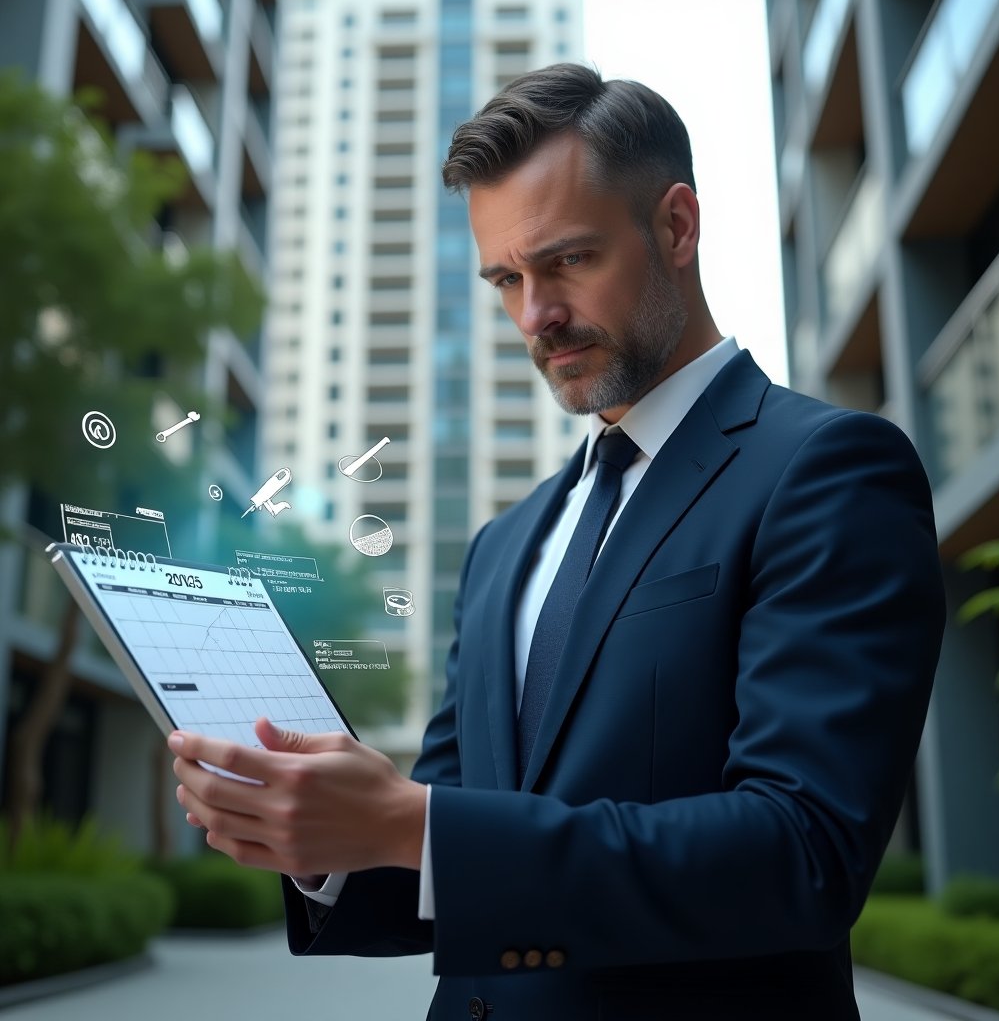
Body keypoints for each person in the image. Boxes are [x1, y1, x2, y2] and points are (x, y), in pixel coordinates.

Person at [169, 63, 946, 1020]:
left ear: (676, 227)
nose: (534, 316)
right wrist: (326, 839)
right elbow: (458, 839)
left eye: (567, 261)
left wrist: (416, 824)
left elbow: (804, 852)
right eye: (506, 278)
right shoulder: (506, 544)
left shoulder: (828, 470)